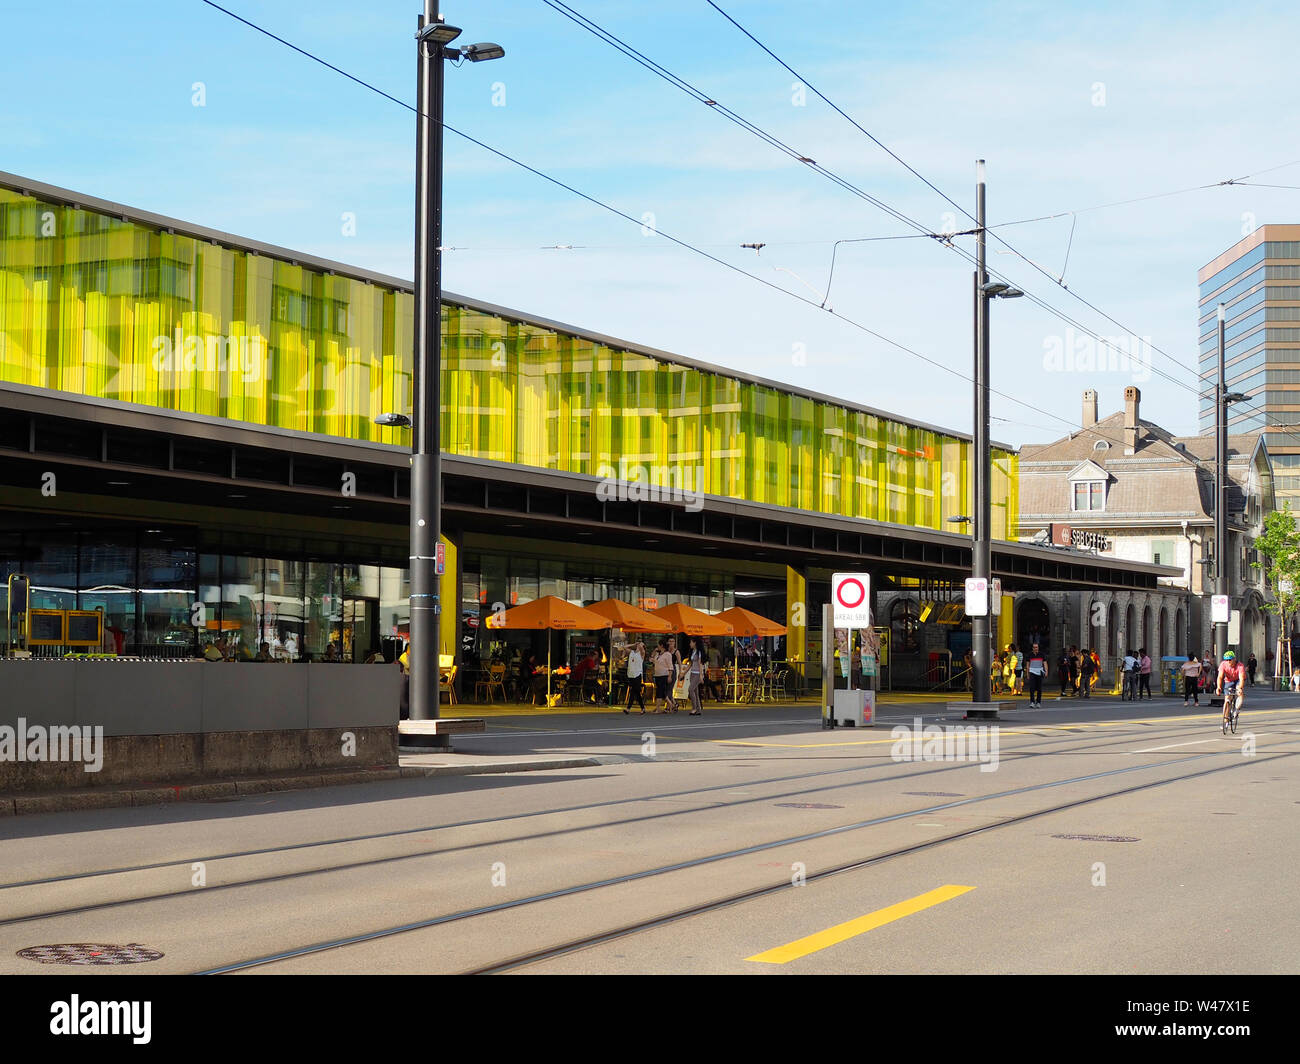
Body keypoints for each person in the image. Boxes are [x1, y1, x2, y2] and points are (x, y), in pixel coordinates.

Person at [1216, 650, 1247, 731]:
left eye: (1230, 659)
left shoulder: (1240, 666)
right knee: (1227, 699)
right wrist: (1218, 687)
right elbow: (1220, 677)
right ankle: (1226, 721)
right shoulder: (1223, 664)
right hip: (1228, 681)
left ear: (1234, 659)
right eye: (1227, 660)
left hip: (1238, 680)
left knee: (1239, 693)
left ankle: (1237, 709)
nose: (1228, 661)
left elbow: (1241, 678)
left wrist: (1240, 687)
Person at [622, 641, 647, 714]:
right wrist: (633, 644)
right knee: (636, 692)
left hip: (637, 674)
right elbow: (624, 647)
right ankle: (642, 708)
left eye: (641, 644)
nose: (639, 645)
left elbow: (642, 649)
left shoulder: (641, 653)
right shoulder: (632, 652)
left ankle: (628, 708)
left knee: (634, 691)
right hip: (631, 674)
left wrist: (641, 645)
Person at [652, 640, 675, 713]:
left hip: (664, 674)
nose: (657, 646)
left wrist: (670, 676)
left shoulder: (667, 654)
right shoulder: (658, 654)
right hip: (657, 674)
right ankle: (671, 704)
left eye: (658, 645)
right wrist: (654, 652)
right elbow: (653, 659)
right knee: (662, 692)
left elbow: (670, 666)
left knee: (660, 691)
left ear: (661, 646)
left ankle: (658, 708)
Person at [687, 636, 705, 716]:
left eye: (691, 642)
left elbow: (700, 664)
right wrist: (683, 673)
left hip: (698, 673)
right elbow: (690, 664)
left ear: (695, 643)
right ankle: (698, 709)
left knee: (690, 689)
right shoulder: (692, 651)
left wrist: (701, 675)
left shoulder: (699, 652)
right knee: (695, 692)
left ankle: (694, 708)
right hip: (692, 673)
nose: (690, 644)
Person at [1025, 643, 1047, 707]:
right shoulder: (1029, 655)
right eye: (1034, 647)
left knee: (1039, 688)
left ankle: (1038, 702)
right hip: (1032, 672)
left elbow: (1045, 663)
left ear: (1038, 648)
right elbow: (1027, 665)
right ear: (1032, 648)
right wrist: (1027, 674)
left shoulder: (1041, 654)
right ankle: (1032, 701)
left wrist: (1046, 671)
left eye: (1036, 647)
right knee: (1032, 688)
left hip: (1039, 672)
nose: (1035, 648)